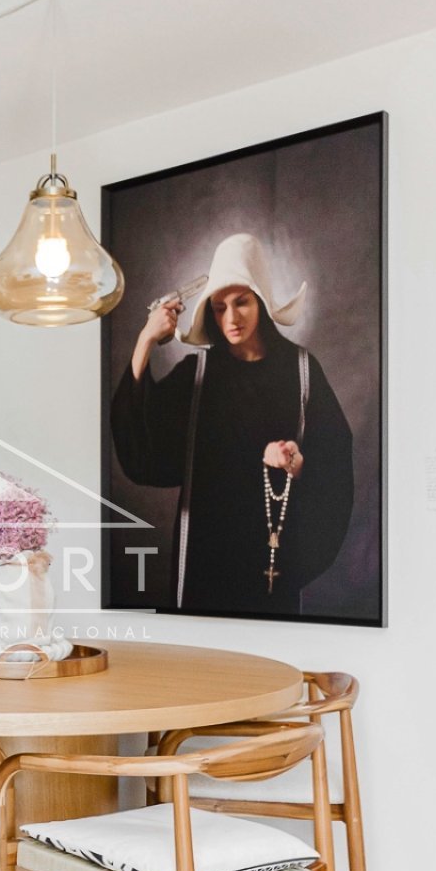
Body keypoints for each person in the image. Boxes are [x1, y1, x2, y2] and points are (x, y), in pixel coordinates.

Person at [111, 232, 353, 616]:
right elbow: (144, 453)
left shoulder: (303, 371)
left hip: (272, 555)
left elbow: (335, 462)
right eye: (220, 307)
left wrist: (296, 461)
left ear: (261, 302)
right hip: (206, 559)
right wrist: (145, 341)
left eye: (242, 302)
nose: (231, 318)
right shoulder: (197, 374)